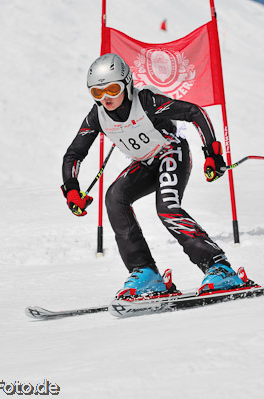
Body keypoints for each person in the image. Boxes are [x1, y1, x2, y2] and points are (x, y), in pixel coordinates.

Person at [61, 53, 250, 298]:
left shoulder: (147, 101)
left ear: (127, 84)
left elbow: (195, 113)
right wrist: (72, 190)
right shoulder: (97, 116)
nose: (106, 98)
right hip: (145, 162)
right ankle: (146, 273)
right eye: (97, 93)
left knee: (167, 208)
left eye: (112, 89)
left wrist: (212, 154)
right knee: (115, 197)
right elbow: (73, 154)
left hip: (171, 153)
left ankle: (218, 267)